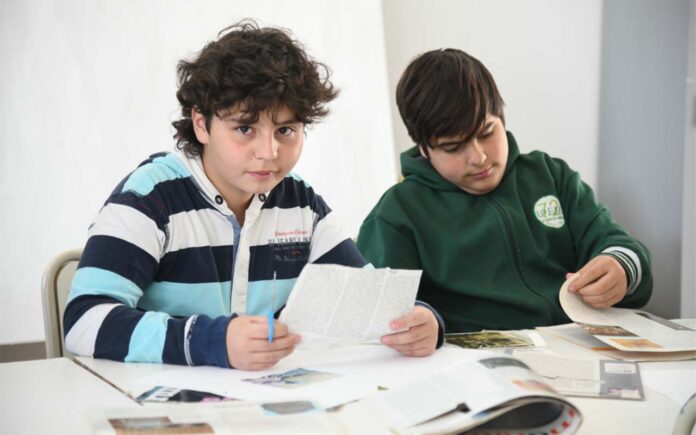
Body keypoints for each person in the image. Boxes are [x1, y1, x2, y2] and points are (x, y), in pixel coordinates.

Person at [63, 21, 443, 371]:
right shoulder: (150, 199)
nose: (268, 152)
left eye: (285, 131)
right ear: (201, 123)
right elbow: (83, 321)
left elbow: (366, 299)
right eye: (245, 128)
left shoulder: (302, 203)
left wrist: (423, 322)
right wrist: (214, 341)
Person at [356, 48, 652, 333]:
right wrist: (423, 323)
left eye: (487, 133)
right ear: (424, 149)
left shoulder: (551, 176)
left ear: (502, 119)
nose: (479, 157)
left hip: (579, 341)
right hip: (475, 358)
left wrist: (620, 267)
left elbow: (614, 241)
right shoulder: (398, 214)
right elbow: (381, 316)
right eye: (453, 147)